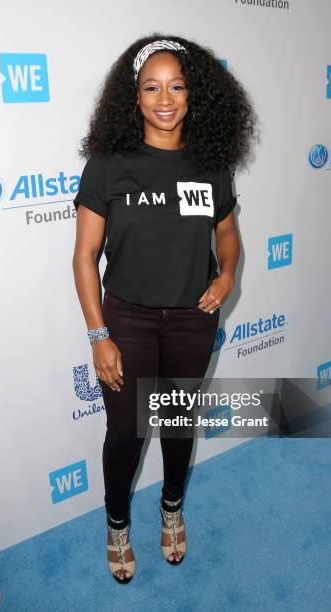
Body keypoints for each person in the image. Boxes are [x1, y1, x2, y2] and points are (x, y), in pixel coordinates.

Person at [72, 33, 257, 583]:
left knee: (177, 426)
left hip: (191, 321)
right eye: (151, 87)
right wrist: (98, 334)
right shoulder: (108, 166)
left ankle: (172, 508)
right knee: (126, 433)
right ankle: (118, 523)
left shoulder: (210, 165)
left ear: (193, 94)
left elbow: (228, 236)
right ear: (134, 98)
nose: (165, 98)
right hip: (126, 321)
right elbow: (84, 257)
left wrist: (226, 276)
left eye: (177, 86)